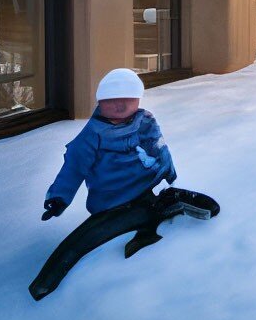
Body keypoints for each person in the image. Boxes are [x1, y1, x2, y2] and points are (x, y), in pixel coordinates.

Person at [29, 68, 219, 300]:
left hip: (144, 189)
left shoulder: (144, 121)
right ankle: (45, 282)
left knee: (156, 206)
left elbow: (158, 146)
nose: (120, 106)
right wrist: (58, 198)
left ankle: (160, 209)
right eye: (112, 101)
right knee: (81, 241)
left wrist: (167, 168)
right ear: (100, 102)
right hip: (111, 201)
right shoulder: (93, 135)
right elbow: (73, 167)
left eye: (127, 100)